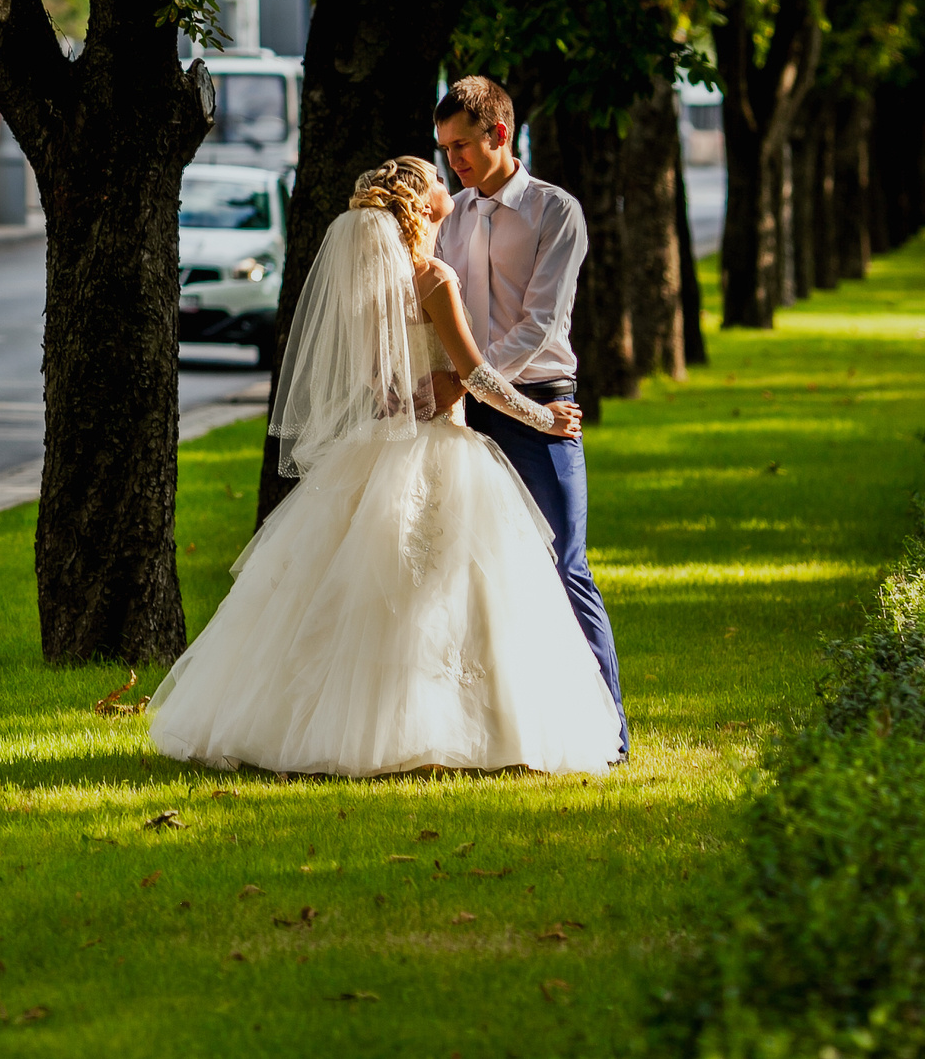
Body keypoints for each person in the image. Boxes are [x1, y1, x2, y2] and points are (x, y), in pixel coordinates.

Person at [147, 158, 622, 777]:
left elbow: (381, 380)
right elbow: (475, 376)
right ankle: (462, 731)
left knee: (367, 594)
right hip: (442, 449)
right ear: (421, 205)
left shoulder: (371, 283)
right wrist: (544, 418)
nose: (446, 182)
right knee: (452, 590)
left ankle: (312, 724)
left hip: (380, 447)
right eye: (435, 178)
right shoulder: (432, 278)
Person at [431, 76, 629, 759]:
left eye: (460, 145)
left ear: (500, 132)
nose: (452, 160)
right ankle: (491, 736)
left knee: (564, 564)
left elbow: (539, 324)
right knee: (472, 573)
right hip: (462, 413)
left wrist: (469, 382)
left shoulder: (555, 210)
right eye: (444, 148)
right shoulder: (447, 217)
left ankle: (611, 733)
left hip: (539, 403)